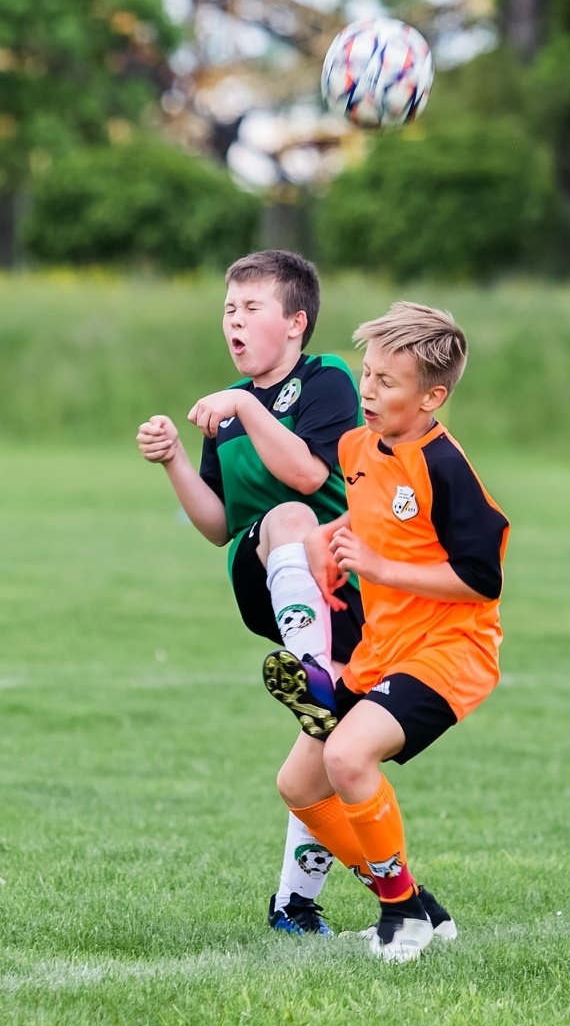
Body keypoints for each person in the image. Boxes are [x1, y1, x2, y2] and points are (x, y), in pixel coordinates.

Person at [264, 301, 510, 961]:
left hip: (450, 652)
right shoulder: (356, 448)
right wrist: (326, 538)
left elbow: (482, 576)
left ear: (433, 397)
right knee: (300, 783)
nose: (368, 390)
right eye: (366, 375)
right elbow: (369, 520)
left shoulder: (444, 465)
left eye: (386, 382)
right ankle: (420, 905)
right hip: (383, 651)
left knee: (347, 756)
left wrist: (380, 567)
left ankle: (399, 918)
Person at [135, 250, 365, 936]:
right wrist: (177, 459)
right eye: (228, 309)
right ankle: (310, 669)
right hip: (268, 577)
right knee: (288, 523)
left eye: (250, 307)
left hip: (342, 593)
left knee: (327, 754)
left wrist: (243, 403)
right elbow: (220, 524)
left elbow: (306, 469)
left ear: (295, 322)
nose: (234, 320)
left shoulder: (327, 379)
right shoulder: (229, 407)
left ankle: (293, 905)